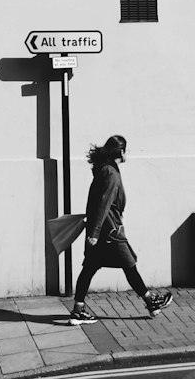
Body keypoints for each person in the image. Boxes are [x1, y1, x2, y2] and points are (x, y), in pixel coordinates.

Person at [69, 134, 173, 325]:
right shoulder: (110, 173)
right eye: (126, 150)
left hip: (103, 229)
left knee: (90, 268)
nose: (128, 153)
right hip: (110, 232)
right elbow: (103, 203)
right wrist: (95, 232)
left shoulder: (107, 169)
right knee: (129, 264)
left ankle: (78, 309)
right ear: (121, 151)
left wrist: (94, 230)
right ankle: (150, 301)